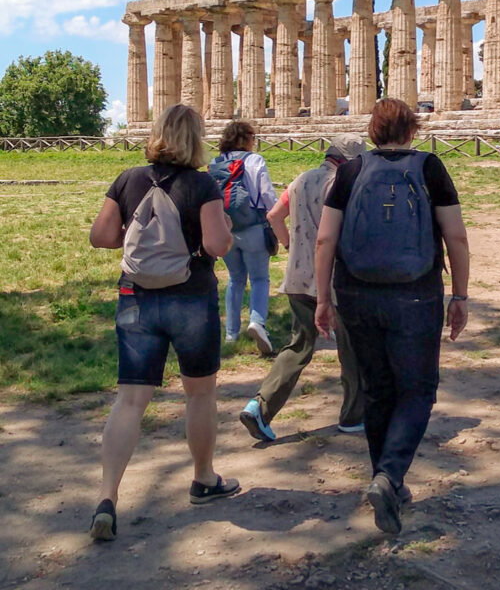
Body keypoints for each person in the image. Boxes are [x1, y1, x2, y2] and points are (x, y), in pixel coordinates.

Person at [314, 98, 470, 537]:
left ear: (372, 131)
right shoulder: (429, 168)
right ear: (412, 130)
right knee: (418, 390)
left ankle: (387, 480)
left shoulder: (349, 170)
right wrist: (459, 294)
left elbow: (325, 240)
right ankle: (389, 476)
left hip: (356, 293)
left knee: (378, 390)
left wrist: (323, 298)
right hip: (416, 293)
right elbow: (455, 235)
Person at [88, 104, 238, 542]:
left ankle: (107, 497)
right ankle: (204, 478)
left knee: (131, 400)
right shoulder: (202, 184)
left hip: (136, 296)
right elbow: (216, 245)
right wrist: (224, 227)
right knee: (200, 393)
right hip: (190, 296)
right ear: (196, 139)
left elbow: (100, 236)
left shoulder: (128, 179)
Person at [239, 134, 367, 443]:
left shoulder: (300, 179)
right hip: (334, 280)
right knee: (352, 350)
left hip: (298, 277)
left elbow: (273, 216)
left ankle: (260, 406)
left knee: (298, 346)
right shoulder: (344, 186)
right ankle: (353, 416)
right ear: (350, 162)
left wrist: (290, 245)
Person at [209, 121, 277, 353]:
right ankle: (257, 322)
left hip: (227, 228)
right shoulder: (255, 160)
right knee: (259, 279)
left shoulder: (215, 162)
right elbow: (267, 193)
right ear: (247, 138)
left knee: (235, 279)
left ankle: (231, 334)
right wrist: (275, 218)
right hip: (254, 227)